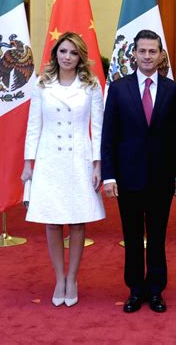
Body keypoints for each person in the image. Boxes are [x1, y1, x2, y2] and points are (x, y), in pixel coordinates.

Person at [101, 29, 176, 314]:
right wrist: (109, 176)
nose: (148, 56)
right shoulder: (118, 88)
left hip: (162, 178)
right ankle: (136, 290)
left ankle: (156, 290)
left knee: (158, 237)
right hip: (128, 177)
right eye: (142, 51)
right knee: (133, 236)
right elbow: (109, 135)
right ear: (133, 54)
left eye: (153, 51)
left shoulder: (173, 90)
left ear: (161, 55)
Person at [21, 32, 105, 307]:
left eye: (73, 52)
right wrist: (27, 163)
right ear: (55, 53)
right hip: (50, 158)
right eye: (63, 51)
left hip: (79, 157)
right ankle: (59, 277)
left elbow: (98, 127)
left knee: (78, 220)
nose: (67, 57)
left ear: (81, 56)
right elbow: (34, 125)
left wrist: (97, 163)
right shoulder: (42, 84)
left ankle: (73, 277)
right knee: (53, 220)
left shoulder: (91, 85)